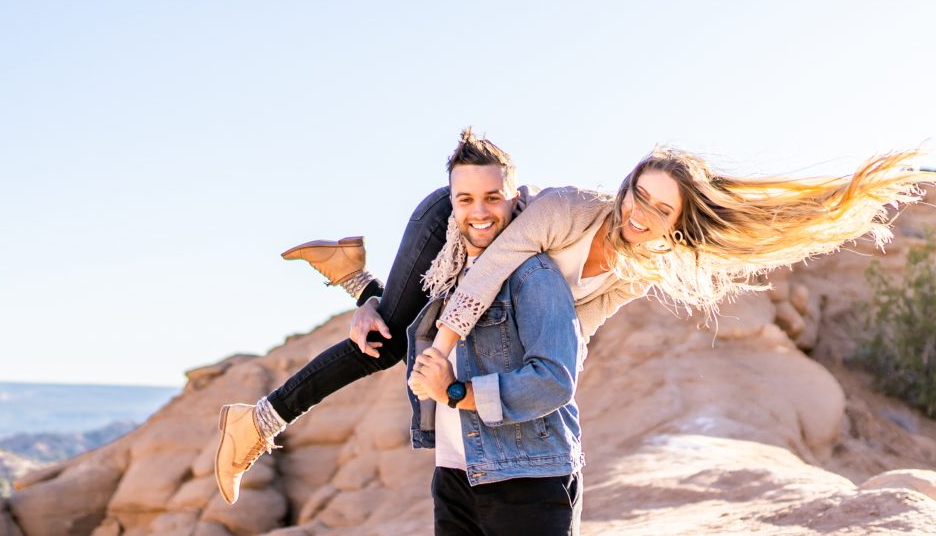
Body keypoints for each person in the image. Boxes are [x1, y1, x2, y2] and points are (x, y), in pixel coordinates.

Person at [215, 129, 931, 505]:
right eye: (637, 194)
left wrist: (541, 379)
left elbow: (574, 330)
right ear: (622, 187)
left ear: (676, 223)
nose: (638, 212)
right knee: (391, 344)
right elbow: (494, 268)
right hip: (459, 229)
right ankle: (259, 419)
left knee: (403, 333)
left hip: (478, 263)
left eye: (659, 209)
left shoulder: (638, 268)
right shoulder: (566, 208)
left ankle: (353, 272)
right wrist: (447, 346)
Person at [405, 141, 584, 535]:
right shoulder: (447, 275)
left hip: (528, 476)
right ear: (452, 204)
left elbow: (554, 381)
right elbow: (395, 311)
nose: (480, 212)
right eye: (466, 199)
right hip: (455, 473)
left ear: (513, 199)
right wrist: (368, 301)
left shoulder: (533, 274)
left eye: (492, 197)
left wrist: (454, 392)